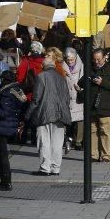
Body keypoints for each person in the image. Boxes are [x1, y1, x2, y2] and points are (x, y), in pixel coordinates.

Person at [25, 47, 71, 175]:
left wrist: (27, 115)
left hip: (44, 113)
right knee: (57, 143)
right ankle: (55, 168)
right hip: (60, 114)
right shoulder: (61, 77)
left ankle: (45, 168)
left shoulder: (42, 76)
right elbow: (67, 97)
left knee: (44, 141)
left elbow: (36, 99)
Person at [0, 70, 26, 191]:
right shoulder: (17, 90)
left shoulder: (6, 93)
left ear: (5, 80)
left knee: (1, 154)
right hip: (10, 124)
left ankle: (6, 182)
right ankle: (4, 181)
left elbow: (4, 113)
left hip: (3, 126)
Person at [80, 49, 110, 162]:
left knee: (105, 132)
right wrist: (88, 80)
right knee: (93, 131)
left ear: (104, 58)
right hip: (92, 105)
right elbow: (81, 82)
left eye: (99, 59)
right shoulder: (90, 70)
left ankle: (106, 155)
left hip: (105, 105)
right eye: (94, 59)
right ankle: (94, 154)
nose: (96, 62)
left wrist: (102, 82)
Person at [64, 47, 84, 151]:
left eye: (72, 60)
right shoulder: (63, 67)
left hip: (78, 97)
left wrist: (80, 88)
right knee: (68, 121)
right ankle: (68, 139)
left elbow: (84, 79)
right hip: (67, 97)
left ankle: (78, 141)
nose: (70, 62)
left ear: (76, 58)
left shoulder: (81, 67)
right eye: (68, 60)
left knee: (80, 120)